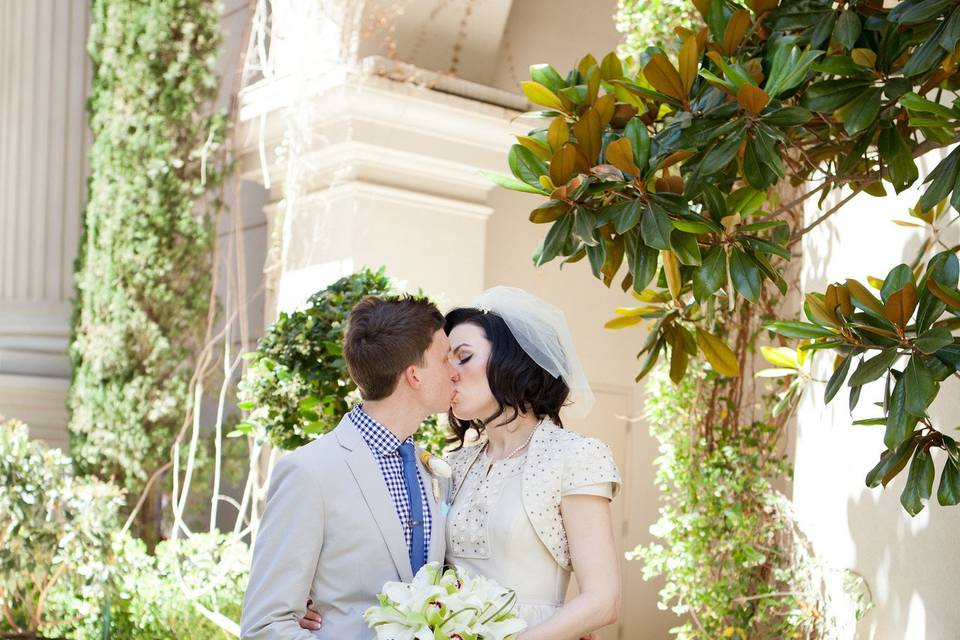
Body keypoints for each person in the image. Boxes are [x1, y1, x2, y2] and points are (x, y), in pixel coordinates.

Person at [299, 286, 621, 640]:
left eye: (463, 357)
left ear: (510, 358)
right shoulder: (449, 465)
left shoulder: (574, 456)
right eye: (445, 360)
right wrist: (323, 603)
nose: (451, 373)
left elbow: (603, 601)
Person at [240, 295, 457, 639]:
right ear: (414, 376)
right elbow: (265, 624)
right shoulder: (309, 473)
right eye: (446, 359)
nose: (455, 372)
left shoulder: (431, 470)